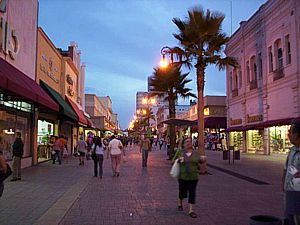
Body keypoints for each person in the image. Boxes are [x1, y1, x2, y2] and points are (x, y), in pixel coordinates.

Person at [173, 137, 202, 218]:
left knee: (192, 192)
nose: (189, 143)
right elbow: (173, 161)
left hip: (193, 177)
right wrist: (178, 160)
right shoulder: (180, 152)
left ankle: (191, 210)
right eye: (187, 142)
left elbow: (199, 162)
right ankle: (180, 202)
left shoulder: (195, 153)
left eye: (190, 141)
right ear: (183, 144)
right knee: (182, 191)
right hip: (183, 176)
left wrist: (202, 160)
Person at [283, 122, 300, 225]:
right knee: (289, 218)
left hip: (298, 193)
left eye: (290, 132)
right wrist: (283, 182)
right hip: (289, 191)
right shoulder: (292, 150)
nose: (288, 135)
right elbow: (286, 168)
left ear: (296, 135)